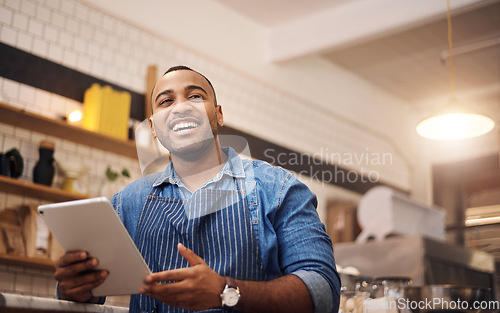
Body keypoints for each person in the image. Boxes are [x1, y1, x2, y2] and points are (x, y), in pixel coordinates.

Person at [54, 66, 341, 313]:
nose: (180, 106)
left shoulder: (278, 189)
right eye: (166, 101)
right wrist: (74, 287)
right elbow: (87, 296)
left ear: (218, 115)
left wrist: (225, 292)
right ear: (154, 128)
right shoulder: (127, 203)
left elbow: (323, 292)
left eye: (195, 96)